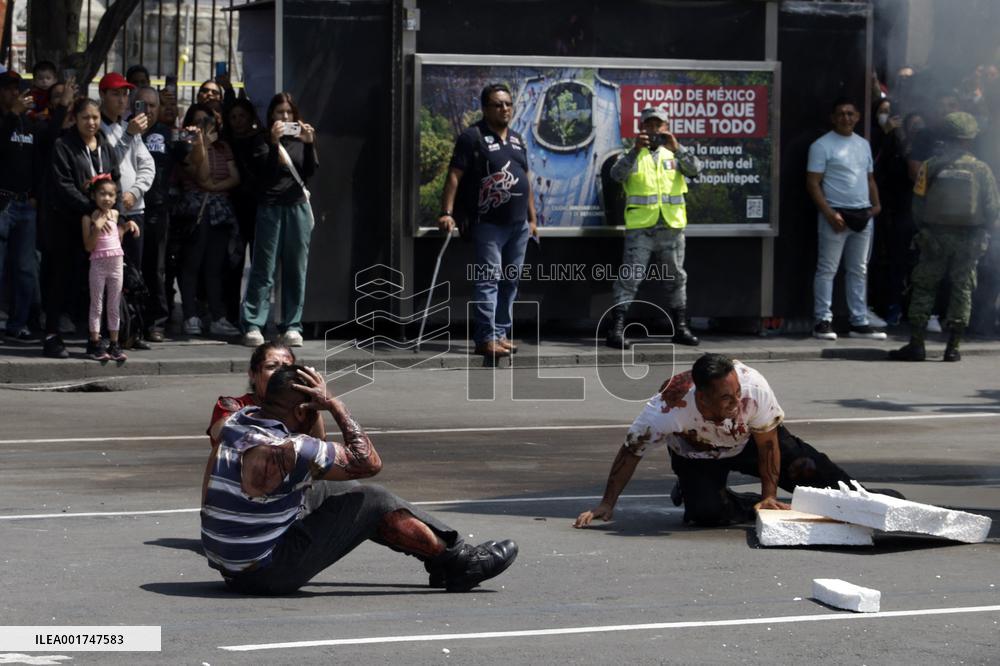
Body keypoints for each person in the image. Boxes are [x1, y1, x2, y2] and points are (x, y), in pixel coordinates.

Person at [201, 364, 518, 594]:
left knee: (340, 485)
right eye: (312, 410)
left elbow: (321, 455)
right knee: (373, 499)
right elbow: (369, 462)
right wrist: (334, 405)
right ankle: (461, 561)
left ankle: (443, 560)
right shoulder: (293, 449)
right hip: (264, 572)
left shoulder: (238, 421)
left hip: (229, 564)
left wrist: (313, 411)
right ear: (300, 411)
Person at [574, 353, 876, 528]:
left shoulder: (753, 388)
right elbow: (630, 452)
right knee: (705, 514)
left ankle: (871, 501)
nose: (736, 402)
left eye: (737, 393)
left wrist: (769, 494)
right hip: (697, 455)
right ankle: (713, 495)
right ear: (702, 398)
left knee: (811, 471)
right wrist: (606, 504)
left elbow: (768, 445)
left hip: (750, 442)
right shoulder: (667, 408)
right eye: (726, 398)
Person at [437, 83, 538, 358]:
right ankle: (485, 338)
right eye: (497, 104)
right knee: (488, 280)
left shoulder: (517, 139)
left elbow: (525, 179)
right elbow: (454, 176)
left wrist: (532, 219)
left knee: (510, 282)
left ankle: (500, 334)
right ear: (485, 108)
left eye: (508, 104)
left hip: (518, 226)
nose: (504, 109)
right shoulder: (472, 137)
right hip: (488, 224)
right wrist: (446, 213)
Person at [889, 112, 1000, 362]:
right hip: (969, 239)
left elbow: (918, 205)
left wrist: (925, 230)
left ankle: (917, 345)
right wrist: (981, 231)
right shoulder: (982, 169)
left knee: (924, 287)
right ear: (969, 139)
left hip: (935, 238)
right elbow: (993, 208)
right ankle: (953, 347)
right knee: (963, 289)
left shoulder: (930, 166)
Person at [606, 106, 702, 349]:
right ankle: (616, 330)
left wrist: (678, 148)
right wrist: (635, 151)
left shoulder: (675, 154)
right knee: (630, 277)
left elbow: (696, 169)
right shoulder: (630, 154)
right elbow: (616, 175)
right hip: (642, 228)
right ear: (641, 128)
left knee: (676, 278)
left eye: (658, 125)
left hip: (671, 227)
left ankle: (680, 328)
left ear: (666, 128)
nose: (654, 129)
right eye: (649, 125)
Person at [45, 98, 122, 358]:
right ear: (75, 119)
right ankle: (52, 335)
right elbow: (63, 184)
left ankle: (95, 339)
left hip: (101, 227)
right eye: (85, 117)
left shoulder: (105, 145)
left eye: (95, 117)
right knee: (61, 279)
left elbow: (116, 180)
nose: (91, 122)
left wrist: (115, 212)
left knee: (95, 285)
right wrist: (91, 207)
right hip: (68, 222)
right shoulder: (63, 145)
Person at [240, 92, 318, 348]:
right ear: (271, 115)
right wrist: (274, 142)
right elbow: (266, 173)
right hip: (270, 207)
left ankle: (292, 325)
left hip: (297, 206)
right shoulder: (261, 140)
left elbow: (309, 171)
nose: (284, 117)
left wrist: (309, 143)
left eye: (288, 113)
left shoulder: (300, 139)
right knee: (264, 268)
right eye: (279, 113)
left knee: (296, 268)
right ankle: (254, 323)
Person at [806, 98, 886, 341]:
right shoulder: (821, 145)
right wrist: (829, 213)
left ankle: (859, 321)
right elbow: (813, 183)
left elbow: (869, 178)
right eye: (841, 114)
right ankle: (822, 320)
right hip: (836, 215)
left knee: (859, 269)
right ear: (833, 118)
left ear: (858, 117)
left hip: (863, 213)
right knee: (827, 269)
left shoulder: (863, 144)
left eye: (850, 114)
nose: (846, 118)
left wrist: (876, 205)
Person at [0, 70, 70, 342]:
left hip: (25, 204)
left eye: (17, 88)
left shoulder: (29, 123)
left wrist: (63, 106)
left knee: (26, 269)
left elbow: (49, 140)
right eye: (8, 88)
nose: (14, 93)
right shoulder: (6, 120)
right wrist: (10, 116)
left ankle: (18, 323)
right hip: (2, 203)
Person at [175, 104, 242, 338]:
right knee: (192, 264)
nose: (203, 126)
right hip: (197, 211)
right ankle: (190, 315)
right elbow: (201, 175)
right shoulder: (184, 144)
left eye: (208, 121)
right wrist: (201, 144)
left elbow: (235, 177)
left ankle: (217, 316)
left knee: (215, 267)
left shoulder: (223, 147)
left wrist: (214, 187)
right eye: (198, 121)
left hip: (220, 213)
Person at [205, 341, 326, 447]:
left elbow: (321, 454)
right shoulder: (231, 406)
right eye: (271, 366)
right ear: (253, 374)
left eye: (286, 368)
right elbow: (234, 440)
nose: (280, 373)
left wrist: (314, 404)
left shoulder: (301, 410)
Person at [133, 86, 176, 341]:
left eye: (152, 106)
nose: (147, 110)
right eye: (142, 105)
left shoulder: (166, 133)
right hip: (130, 209)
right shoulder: (125, 130)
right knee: (130, 267)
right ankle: (132, 320)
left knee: (156, 268)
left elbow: (188, 162)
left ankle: (157, 322)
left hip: (157, 209)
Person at [81, 174, 139, 361]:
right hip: (98, 265)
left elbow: (118, 236)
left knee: (114, 304)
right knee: (96, 305)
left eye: (111, 195)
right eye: (102, 194)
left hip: (116, 264)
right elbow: (88, 246)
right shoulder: (89, 217)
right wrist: (97, 227)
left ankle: (114, 343)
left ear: (115, 198)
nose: (106, 198)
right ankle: (94, 343)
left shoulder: (115, 215)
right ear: (94, 196)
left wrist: (129, 225)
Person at [223, 98, 263, 324]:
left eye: (242, 116)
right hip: (234, 210)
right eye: (233, 117)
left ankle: (255, 314)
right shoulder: (226, 143)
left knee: (258, 265)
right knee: (233, 264)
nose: (238, 121)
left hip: (256, 209)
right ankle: (231, 314)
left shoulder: (260, 141)